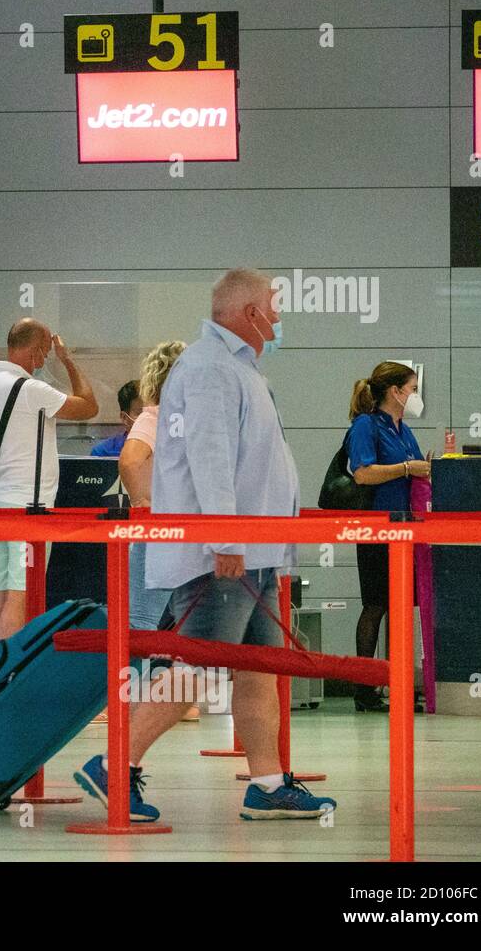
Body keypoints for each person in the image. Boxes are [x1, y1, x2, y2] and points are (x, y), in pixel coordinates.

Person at [74, 268, 337, 822]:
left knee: (257, 666)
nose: (280, 316)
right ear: (249, 313)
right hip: (225, 554)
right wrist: (224, 537)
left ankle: (266, 784)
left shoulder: (237, 368)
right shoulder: (211, 368)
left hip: (255, 551)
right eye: (274, 304)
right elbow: (209, 457)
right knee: (197, 665)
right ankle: (115, 765)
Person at [0, 318, 99, 648]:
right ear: (36, 350)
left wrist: (1, 471)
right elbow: (89, 406)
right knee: (20, 597)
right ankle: (11, 677)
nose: (45, 360)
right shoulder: (33, 390)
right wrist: (68, 361)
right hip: (28, 510)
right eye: (46, 352)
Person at [104, 341, 197, 725]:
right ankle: (125, 699)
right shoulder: (160, 416)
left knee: (158, 619)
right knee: (149, 620)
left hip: (172, 529)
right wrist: (145, 500)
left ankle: (147, 698)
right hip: (171, 530)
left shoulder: (167, 415)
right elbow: (130, 459)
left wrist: (148, 499)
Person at [345, 361, 429, 712]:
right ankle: (365, 687)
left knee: (400, 606)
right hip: (378, 526)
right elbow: (363, 473)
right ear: (394, 392)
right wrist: (407, 468)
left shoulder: (402, 429)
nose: (413, 396)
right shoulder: (366, 426)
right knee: (377, 605)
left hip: (404, 527)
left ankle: (399, 682)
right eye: (411, 389)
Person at [90, 381, 142, 457]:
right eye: (141, 413)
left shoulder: (164, 450)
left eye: (155, 412)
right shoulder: (103, 453)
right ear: (124, 418)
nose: (149, 418)